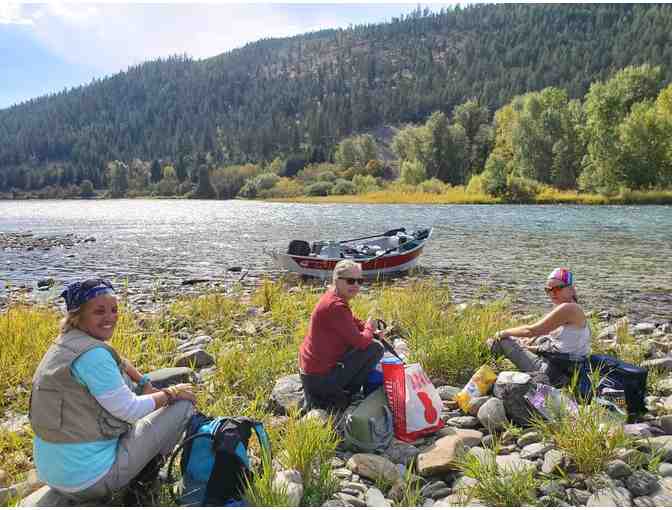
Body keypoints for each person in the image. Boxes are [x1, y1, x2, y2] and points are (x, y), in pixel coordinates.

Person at [29, 278, 197, 503]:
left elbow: (120, 361)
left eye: (114, 309)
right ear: (78, 316)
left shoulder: (67, 342)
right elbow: (128, 410)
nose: (110, 317)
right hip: (89, 480)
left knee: (151, 393)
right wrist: (171, 393)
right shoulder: (93, 356)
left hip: (54, 474)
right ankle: (143, 483)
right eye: (99, 311)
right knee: (183, 405)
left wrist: (144, 382)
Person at [299, 260, 385, 410]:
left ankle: (337, 393)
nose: (356, 285)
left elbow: (351, 320)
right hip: (319, 380)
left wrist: (367, 328)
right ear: (337, 281)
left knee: (368, 342)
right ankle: (346, 395)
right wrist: (370, 329)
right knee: (375, 348)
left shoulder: (333, 297)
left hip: (311, 374)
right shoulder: (336, 306)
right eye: (351, 281)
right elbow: (361, 342)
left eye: (360, 281)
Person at [488, 268, 591, 387]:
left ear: (571, 289)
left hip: (550, 374)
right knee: (521, 340)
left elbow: (531, 330)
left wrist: (503, 332)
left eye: (557, 289)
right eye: (548, 290)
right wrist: (529, 345)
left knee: (502, 341)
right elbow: (557, 346)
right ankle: (495, 368)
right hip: (565, 370)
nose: (552, 293)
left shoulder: (569, 309)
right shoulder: (572, 308)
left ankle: (491, 372)